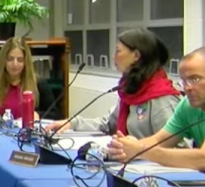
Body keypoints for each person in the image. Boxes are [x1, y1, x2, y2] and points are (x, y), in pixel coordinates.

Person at [107, 47, 205, 176]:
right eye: (184, 80)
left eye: (195, 79)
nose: (188, 87)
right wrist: (126, 147)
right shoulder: (189, 104)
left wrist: (141, 151)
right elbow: (160, 139)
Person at [48, 28, 181, 139]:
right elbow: (109, 124)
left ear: (136, 56)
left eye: (118, 51)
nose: (113, 57)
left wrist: (138, 150)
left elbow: (177, 148)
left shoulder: (162, 97)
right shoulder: (132, 89)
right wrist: (72, 123)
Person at [0, 38, 55, 120]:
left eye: (20, 60)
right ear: (3, 60)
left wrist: (38, 115)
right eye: (10, 59)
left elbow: (55, 115)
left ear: (26, 63)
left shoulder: (39, 84)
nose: (15, 64)